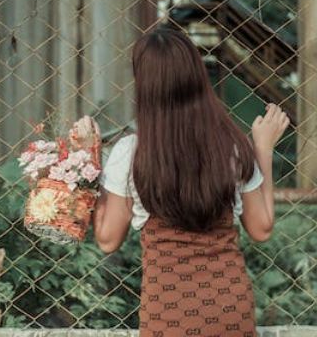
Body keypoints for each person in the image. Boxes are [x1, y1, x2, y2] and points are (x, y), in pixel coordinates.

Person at [92, 26, 289, 337]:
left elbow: (107, 240)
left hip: (167, 315)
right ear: (197, 78)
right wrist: (262, 148)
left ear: (144, 85)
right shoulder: (230, 145)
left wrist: (90, 161)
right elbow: (261, 228)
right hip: (230, 310)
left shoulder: (130, 153)